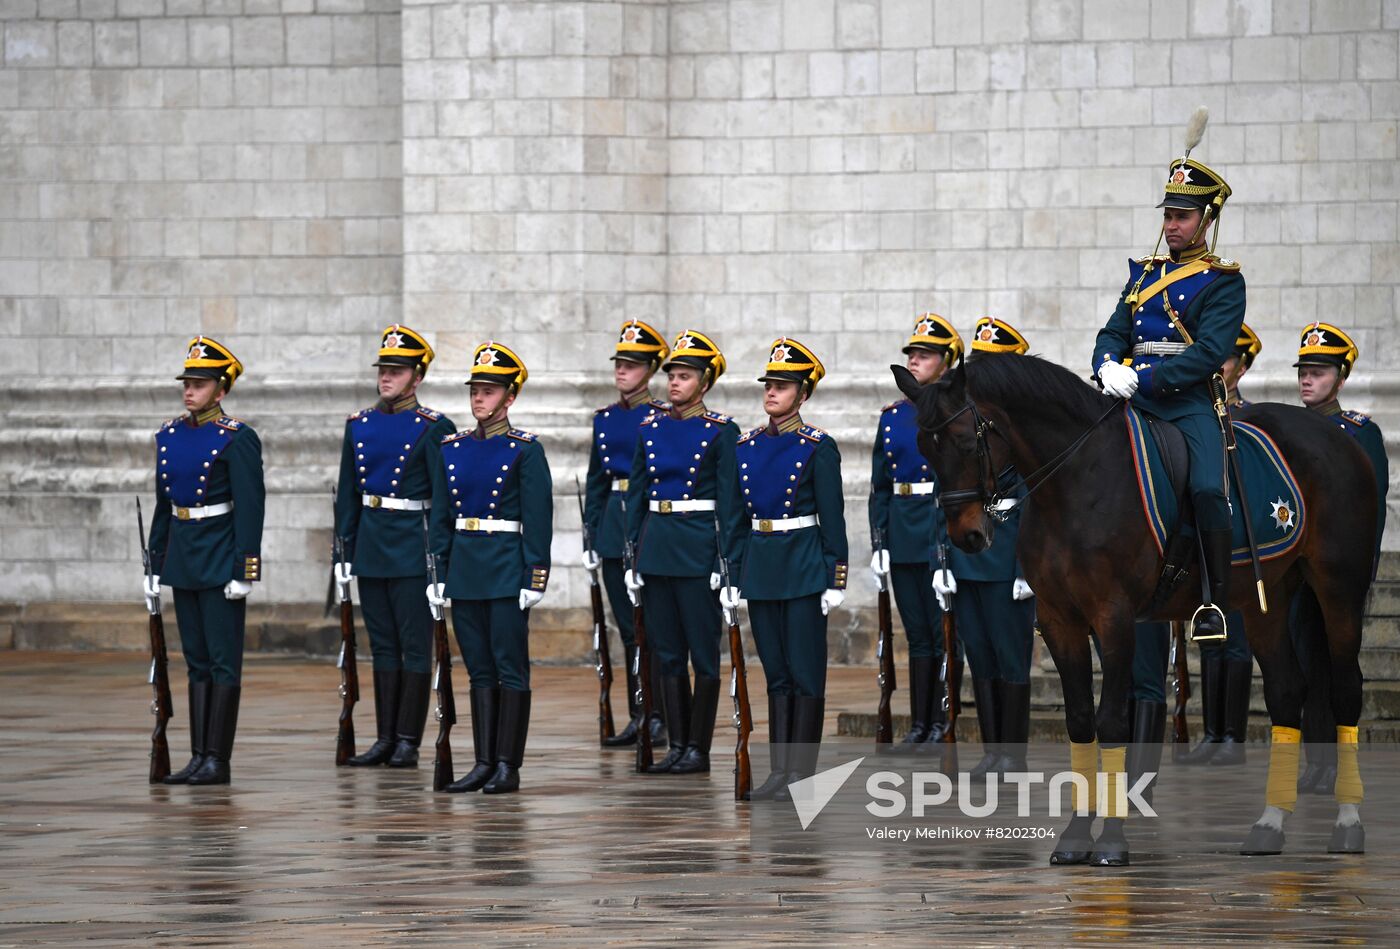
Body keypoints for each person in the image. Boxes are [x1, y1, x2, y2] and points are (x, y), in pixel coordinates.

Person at [1092, 137, 1246, 642]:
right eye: (1168, 215)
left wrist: (1149, 378)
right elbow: (1113, 330)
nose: (1171, 225)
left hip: (1187, 402)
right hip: (1131, 397)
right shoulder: (1143, 273)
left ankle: (1215, 601)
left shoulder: (1223, 282)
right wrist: (1106, 365)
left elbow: (1209, 353)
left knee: (1205, 486)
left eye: (1183, 215)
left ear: (1206, 220)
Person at [427, 342, 552, 795]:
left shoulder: (525, 451)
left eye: (489, 391)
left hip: (504, 567)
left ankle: (507, 765)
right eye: (475, 391)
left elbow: (539, 517)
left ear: (510, 397)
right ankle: (482, 761)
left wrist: (535, 574)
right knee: (478, 668)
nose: (479, 398)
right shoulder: (451, 449)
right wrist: (438, 574)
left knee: (510, 667)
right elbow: (441, 517)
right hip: (466, 568)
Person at [728, 338, 848, 800]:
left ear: (803, 394)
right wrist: (734, 577)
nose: (772, 392)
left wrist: (835, 574)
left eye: (783, 386)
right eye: (770, 384)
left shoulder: (818, 447)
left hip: (801, 567)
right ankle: (779, 771)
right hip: (762, 567)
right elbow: (738, 517)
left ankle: (803, 773)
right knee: (775, 673)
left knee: (804, 673)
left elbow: (832, 517)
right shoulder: (746, 446)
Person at [624, 330, 746, 774]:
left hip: (697, 551)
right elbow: (637, 497)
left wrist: (725, 562)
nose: (674, 383)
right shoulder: (649, 429)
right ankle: (676, 745)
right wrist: (632, 557)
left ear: (705, 383)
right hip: (658, 549)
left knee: (702, 655)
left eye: (685, 376)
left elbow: (733, 505)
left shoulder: (721, 432)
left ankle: (698, 747)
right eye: (672, 375)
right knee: (667, 652)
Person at [333, 325, 455, 768]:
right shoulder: (359, 424)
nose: (386, 377)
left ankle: (408, 739)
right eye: (383, 369)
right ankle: (384, 737)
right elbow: (349, 493)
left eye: (397, 370)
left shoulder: (434, 427)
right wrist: (343, 554)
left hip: (411, 545)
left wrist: (440, 560)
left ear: (416, 377)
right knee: (382, 645)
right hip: (372, 544)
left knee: (415, 645)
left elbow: (444, 499)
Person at [146, 336, 265, 786]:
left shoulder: (237, 439)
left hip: (218, 558)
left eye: (200, 383)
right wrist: (155, 565)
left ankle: (218, 758)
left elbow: (251, 507)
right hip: (184, 555)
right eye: (187, 383)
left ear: (221, 389)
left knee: (222, 662)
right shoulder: (169, 435)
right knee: (195, 660)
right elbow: (164, 506)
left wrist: (244, 569)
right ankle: (198, 756)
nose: (189, 390)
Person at [933, 318, 1037, 776]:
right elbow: (952, 491)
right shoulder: (971, 427)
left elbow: (1034, 501)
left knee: (1012, 661)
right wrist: (945, 557)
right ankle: (992, 751)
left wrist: (1025, 569)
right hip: (969, 561)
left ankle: (1013, 755)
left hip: (1008, 561)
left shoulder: (1023, 433)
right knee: (980, 658)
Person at [1290, 322, 1388, 794]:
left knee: (1338, 661)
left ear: (1341, 378)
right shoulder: (1286, 431)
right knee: (1306, 663)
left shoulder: (1359, 433)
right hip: (1294, 571)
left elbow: (1370, 508)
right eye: (1305, 371)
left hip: (1338, 572)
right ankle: (1317, 762)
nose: (1308, 379)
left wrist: (1362, 573)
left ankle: (1340, 761)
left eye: (1319, 372)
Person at [869, 313, 964, 754]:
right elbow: (879, 487)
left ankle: (945, 718)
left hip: (939, 523)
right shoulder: (891, 418)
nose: (914, 360)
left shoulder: (954, 410)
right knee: (918, 636)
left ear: (946, 362)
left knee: (945, 630)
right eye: (911, 354)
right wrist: (879, 543)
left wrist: (946, 541)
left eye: (924, 355)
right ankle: (920, 722)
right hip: (904, 531)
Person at [583, 320, 671, 748]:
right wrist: (590, 536)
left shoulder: (659, 419)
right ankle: (639, 713)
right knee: (624, 629)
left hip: (649, 530)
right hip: (612, 533)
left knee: (651, 630)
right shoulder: (604, 420)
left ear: (651, 369)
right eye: (619, 363)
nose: (622, 370)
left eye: (632, 364)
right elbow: (597, 482)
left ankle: (660, 714)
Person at [1180, 322, 1261, 766]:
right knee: (1210, 637)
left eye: (1225, 359)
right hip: (1201, 544)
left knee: (1236, 640)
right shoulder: (1194, 417)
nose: (1217, 366)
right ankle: (1211, 733)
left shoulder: (1247, 419)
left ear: (1242, 367)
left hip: (1241, 542)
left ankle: (1233, 735)